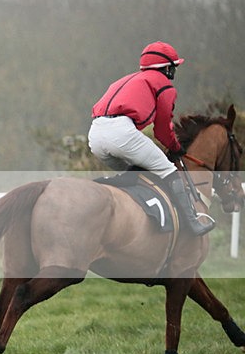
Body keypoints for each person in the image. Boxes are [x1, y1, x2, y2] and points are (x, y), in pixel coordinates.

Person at [88, 41, 214, 236]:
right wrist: (175, 146)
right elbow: (162, 129)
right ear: (166, 68)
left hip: (95, 136)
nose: (174, 71)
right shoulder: (164, 85)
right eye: (173, 66)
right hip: (122, 132)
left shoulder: (126, 79)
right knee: (169, 171)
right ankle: (192, 223)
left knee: (136, 174)